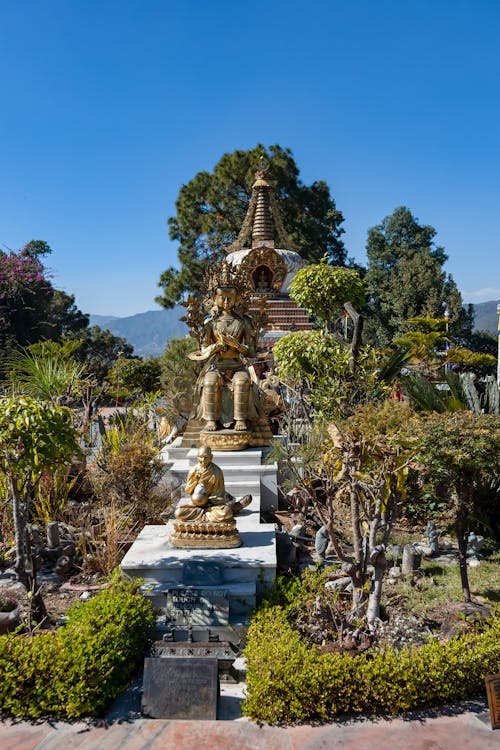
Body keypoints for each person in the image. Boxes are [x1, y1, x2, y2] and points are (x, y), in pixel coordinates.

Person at [189, 285, 257, 432]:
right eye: (222, 298)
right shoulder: (210, 323)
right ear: (215, 299)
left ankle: (240, 419)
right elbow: (203, 350)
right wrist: (217, 346)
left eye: (230, 298)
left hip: (236, 365)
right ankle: (211, 420)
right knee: (210, 382)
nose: (226, 301)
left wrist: (237, 346)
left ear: (237, 299)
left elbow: (252, 351)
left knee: (241, 381)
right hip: (217, 366)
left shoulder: (244, 321)